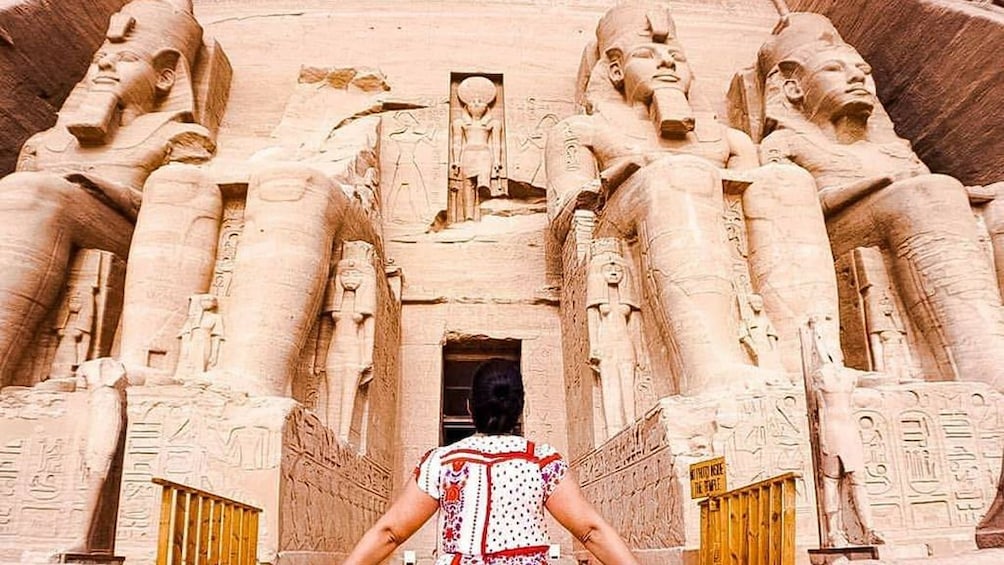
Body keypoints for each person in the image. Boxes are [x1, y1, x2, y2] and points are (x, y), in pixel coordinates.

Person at [545, 2, 838, 393]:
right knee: (678, 174)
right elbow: (565, 213)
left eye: (676, 57)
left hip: (704, 215)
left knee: (788, 182)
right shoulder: (580, 130)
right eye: (647, 55)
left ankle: (813, 361)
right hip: (620, 225)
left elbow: (752, 189)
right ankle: (709, 366)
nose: (666, 64)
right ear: (615, 70)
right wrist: (622, 169)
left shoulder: (728, 140)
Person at [343, 359, 640, 565]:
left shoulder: (442, 462)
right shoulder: (541, 461)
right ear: (520, 409)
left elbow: (390, 533)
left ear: (470, 406)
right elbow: (591, 531)